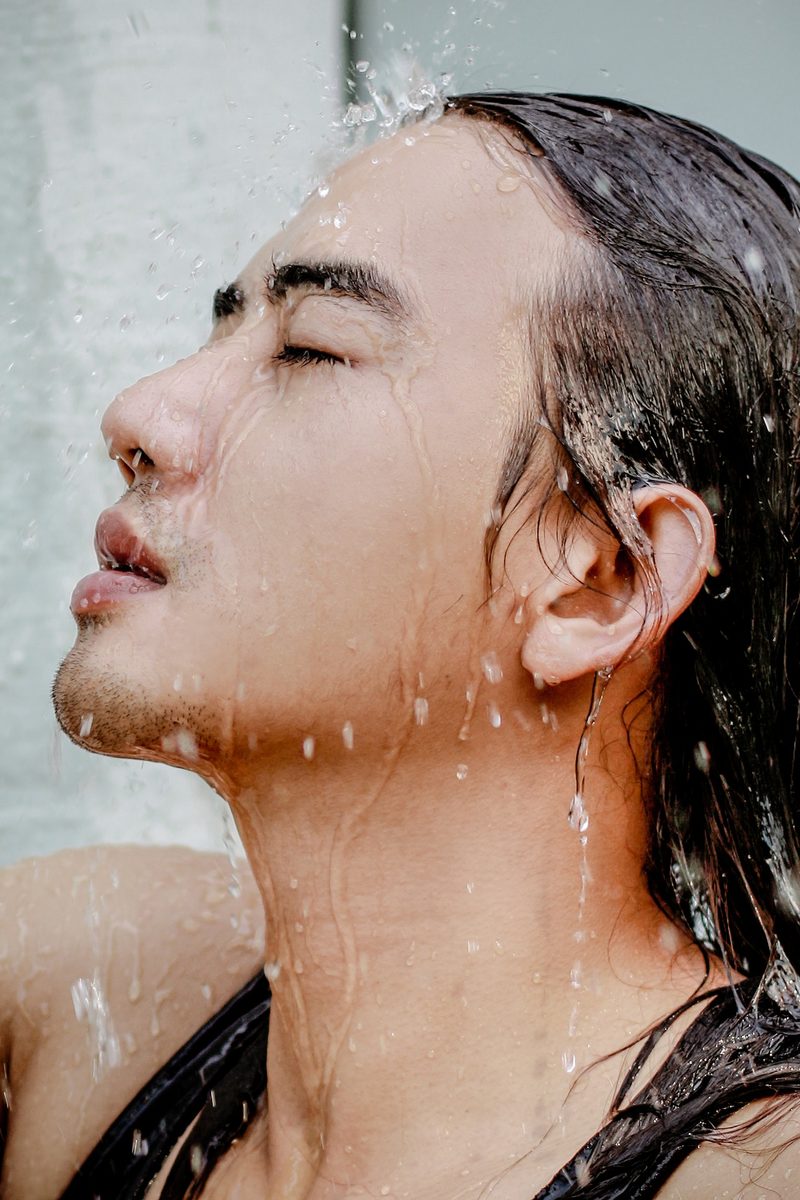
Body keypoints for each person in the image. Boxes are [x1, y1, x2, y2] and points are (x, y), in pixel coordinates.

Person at [2, 90, 800, 1199]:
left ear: (600, 580)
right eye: (222, 331)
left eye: (311, 349)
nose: (136, 415)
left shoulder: (756, 1173)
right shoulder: (80, 990)